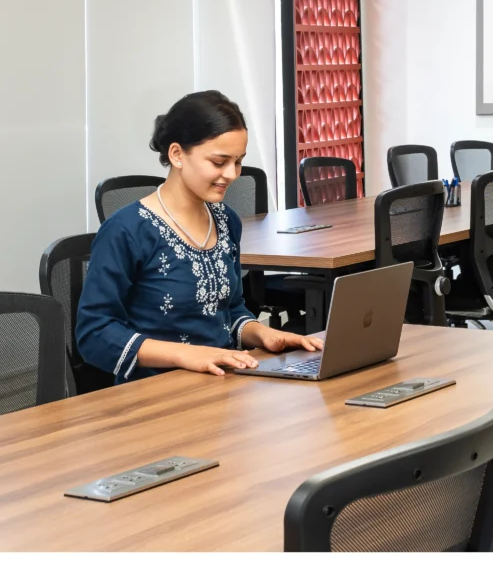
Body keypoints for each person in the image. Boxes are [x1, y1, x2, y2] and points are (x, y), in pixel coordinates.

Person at [76, 90, 322, 383]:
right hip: (154, 393)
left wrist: (263, 334)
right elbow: (94, 333)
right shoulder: (126, 231)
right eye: (219, 162)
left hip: (221, 384)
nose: (232, 174)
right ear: (177, 154)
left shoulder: (226, 220)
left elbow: (230, 311)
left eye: (238, 161)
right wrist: (186, 355)